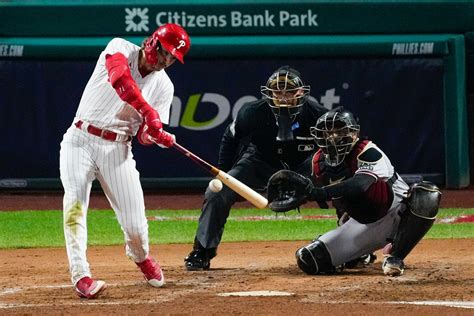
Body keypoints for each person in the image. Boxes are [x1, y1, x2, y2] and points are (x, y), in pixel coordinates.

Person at [59, 23, 190, 298]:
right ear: (150, 42)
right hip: (80, 139)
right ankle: (81, 275)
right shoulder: (119, 47)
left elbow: (142, 135)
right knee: (74, 205)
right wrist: (148, 111)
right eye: (164, 52)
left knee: (135, 225)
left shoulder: (165, 86)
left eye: (172, 59)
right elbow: (120, 80)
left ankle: (141, 257)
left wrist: (155, 134)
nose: (165, 61)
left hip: (117, 150)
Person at [184, 66, 328, 271]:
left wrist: (323, 183)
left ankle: (355, 251)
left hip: (303, 166)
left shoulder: (318, 115)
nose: (284, 97)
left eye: (289, 91)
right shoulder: (252, 112)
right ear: (269, 93)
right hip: (259, 162)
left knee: (343, 182)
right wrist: (225, 175)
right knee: (217, 192)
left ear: (301, 92)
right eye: (278, 91)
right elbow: (230, 138)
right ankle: (202, 251)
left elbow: (332, 152)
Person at [267, 109, 442, 277]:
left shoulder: (368, 151)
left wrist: (316, 193)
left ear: (353, 134)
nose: (332, 138)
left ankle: (396, 257)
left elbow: (359, 185)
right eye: (327, 133)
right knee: (309, 259)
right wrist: (297, 196)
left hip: (399, 214)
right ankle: (358, 255)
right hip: (362, 224)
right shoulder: (318, 163)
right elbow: (326, 196)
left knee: (427, 194)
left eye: (339, 131)